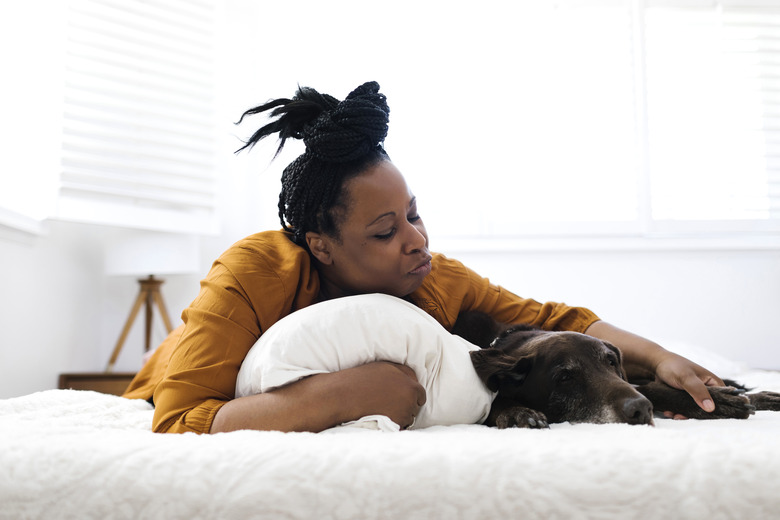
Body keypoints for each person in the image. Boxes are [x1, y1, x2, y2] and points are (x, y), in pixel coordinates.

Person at [123, 81, 724, 434]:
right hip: (174, 375)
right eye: (385, 231)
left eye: (414, 214)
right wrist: (343, 396)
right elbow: (180, 419)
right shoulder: (254, 272)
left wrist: (661, 358)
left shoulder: (435, 282)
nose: (417, 240)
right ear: (321, 245)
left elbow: (553, 320)